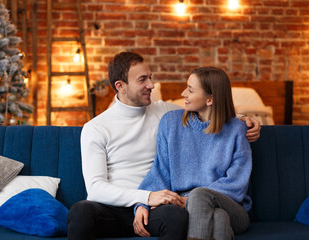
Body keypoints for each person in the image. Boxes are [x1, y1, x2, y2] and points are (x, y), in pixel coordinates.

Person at [67, 52, 260, 240]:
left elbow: (208, 113)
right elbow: (95, 189)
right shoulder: (96, 128)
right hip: (116, 207)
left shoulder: (164, 112)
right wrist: (145, 198)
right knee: (80, 211)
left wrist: (243, 121)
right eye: (142, 80)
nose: (151, 85)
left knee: (178, 217)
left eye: (150, 78)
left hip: (157, 208)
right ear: (121, 86)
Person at [133, 67, 252, 240]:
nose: (183, 93)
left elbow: (236, 183)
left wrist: (190, 199)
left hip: (233, 208)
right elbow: (160, 171)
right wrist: (142, 202)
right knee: (219, 218)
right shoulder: (171, 123)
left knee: (200, 195)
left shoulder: (237, 130)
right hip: (187, 210)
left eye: (190, 90)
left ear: (210, 99)